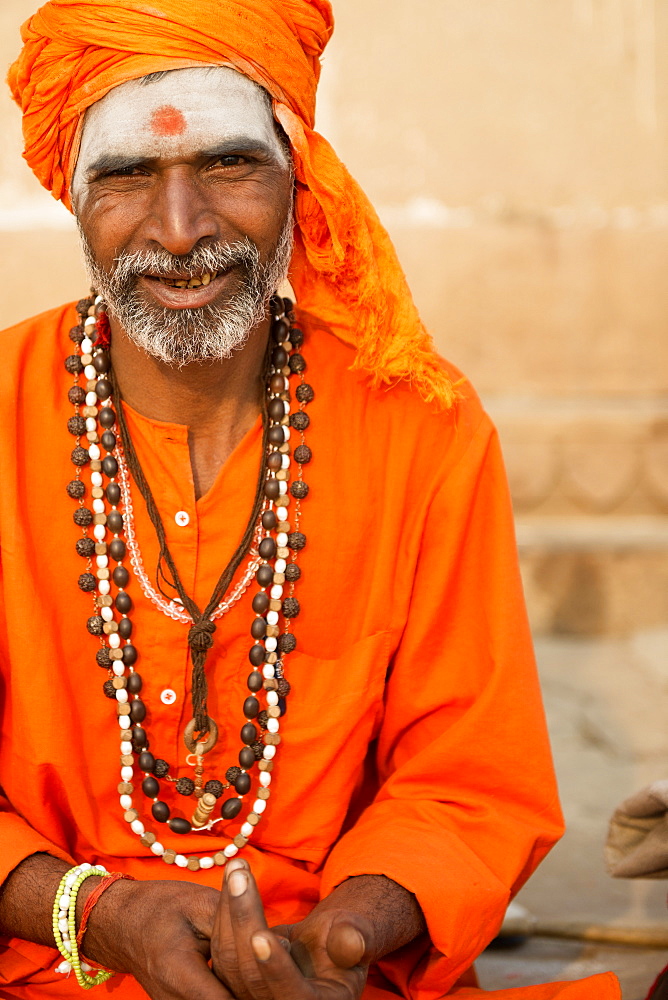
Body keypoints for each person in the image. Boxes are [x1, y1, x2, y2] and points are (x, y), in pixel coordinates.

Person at [0, 2, 620, 998]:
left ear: (297, 176)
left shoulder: (423, 426)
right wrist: (100, 914)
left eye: (228, 165)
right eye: (127, 175)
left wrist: (338, 938)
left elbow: (466, 777)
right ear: (73, 197)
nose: (180, 228)